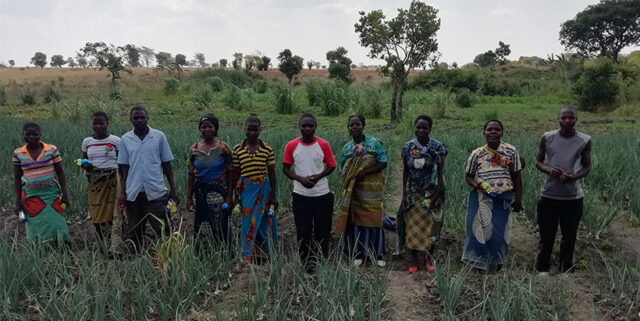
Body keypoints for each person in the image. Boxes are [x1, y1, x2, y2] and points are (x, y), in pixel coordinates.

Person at [535, 105, 591, 276]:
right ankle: (542, 267)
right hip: (549, 195)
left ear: (576, 120)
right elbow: (538, 162)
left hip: (572, 197)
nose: (567, 121)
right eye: (564, 118)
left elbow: (587, 166)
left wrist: (574, 176)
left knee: (569, 235)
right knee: (547, 234)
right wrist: (549, 170)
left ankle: (566, 267)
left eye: (571, 118)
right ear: (558, 119)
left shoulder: (584, 140)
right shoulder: (547, 137)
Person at [462, 120, 522, 272]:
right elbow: (468, 176)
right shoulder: (477, 153)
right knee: (476, 229)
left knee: (499, 232)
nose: (493, 132)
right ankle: (477, 263)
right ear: (484, 132)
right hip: (481, 197)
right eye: (490, 129)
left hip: (503, 198)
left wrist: (518, 199)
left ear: (502, 132)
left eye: (497, 129)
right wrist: (478, 185)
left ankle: (497, 262)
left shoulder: (511, 151)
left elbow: (517, 177)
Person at [117, 106, 178, 252]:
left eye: (142, 117)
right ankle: (135, 260)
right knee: (134, 229)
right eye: (135, 118)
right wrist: (123, 192)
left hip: (156, 190)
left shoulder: (159, 136)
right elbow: (124, 168)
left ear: (147, 118)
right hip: (134, 192)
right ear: (130, 120)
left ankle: (169, 255)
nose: (139, 120)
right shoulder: (126, 139)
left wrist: (173, 190)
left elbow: (166, 164)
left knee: (162, 228)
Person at [283, 113, 336, 273]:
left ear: (315, 126)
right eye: (304, 126)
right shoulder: (291, 145)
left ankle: (322, 260)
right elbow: (285, 168)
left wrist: (317, 176)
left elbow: (331, 166)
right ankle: (306, 262)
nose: (307, 129)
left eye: (310, 126)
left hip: (322, 195)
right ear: (299, 127)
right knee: (303, 230)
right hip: (300, 196)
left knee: (323, 230)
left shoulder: (323, 144)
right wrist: (300, 179)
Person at [335, 115, 387, 267]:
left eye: (358, 124)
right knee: (356, 219)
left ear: (363, 125)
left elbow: (383, 162)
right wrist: (350, 177)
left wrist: (364, 173)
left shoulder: (374, 143)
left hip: (372, 188)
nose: (355, 127)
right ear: (348, 127)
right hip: (355, 190)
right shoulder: (347, 148)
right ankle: (358, 252)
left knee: (374, 218)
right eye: (352, 125)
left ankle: (378, 253)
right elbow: (342, 169)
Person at [400, 115, 447, 273]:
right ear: (414, 128)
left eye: (425, 127)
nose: (421, 130)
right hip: (414, 192)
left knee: (432, 227)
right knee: (413, 227)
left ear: (430, 129)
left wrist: (435, 196)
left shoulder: (437, 147)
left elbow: (440, 173)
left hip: (432, 192)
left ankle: (428, 257)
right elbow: (406, 172)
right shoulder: (408, 147)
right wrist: (404, 194)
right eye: (418, 127)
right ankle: (413, 259)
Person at [13, 122, 71, 243]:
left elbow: (60, 173)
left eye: (35, 134)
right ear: (22, 135)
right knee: (35, 223)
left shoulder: (51, 150)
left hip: (50, 192)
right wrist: (17, 202)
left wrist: (65, 194)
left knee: (57, 221)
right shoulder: (18, 153)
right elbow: (17, 178)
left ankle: (62, 246)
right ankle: (40, 250)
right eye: (28, 134)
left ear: (40, 134)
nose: (32, 137)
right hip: (31, 194)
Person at [232, 114, 279, 263]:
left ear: (260, 130)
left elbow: (272, 174)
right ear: (244, 129)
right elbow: (236, 174)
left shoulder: (267, 149)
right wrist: (236, 196)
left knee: (266, 221)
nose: (252, 133)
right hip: (247, 190)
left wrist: (274, 195)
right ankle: (248, 255)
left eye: (255, 130)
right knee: (248, 221)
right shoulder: (238, 149)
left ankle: (266, 254)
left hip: (263, 190)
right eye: (249, 129)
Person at [186, 114, 233, 249]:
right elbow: (191, 174)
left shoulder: (223, 148)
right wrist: (189, 197)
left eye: (210, 126)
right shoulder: (194, 149)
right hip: (200, 192)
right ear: (200, 129)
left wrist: (229, 196)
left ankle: (225, 253)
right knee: (202, 223)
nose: (207, 129)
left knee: (221, 222)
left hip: (220, 192)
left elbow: (231, 172)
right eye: (203, 127)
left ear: (215, 128)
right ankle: (205, 255)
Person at [81, 111, 121, 248]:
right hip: (94, 182)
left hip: (112, 182)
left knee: (112, 211)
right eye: (95, 123)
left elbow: (121, 163)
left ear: (107, 123)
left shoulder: (115, 141)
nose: (98, 126)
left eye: (101, 123)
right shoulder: (87, 142)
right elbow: (85, 161)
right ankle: (101, 241)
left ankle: (114, 241)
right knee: (96, 211)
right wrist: (85, 165)